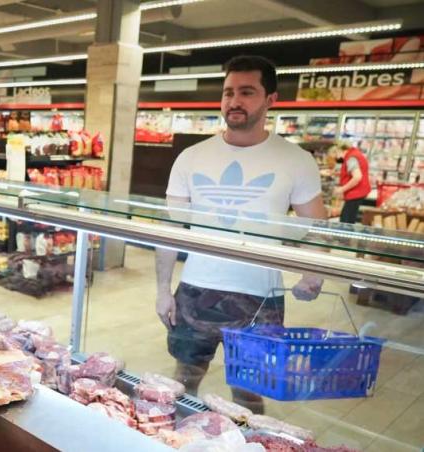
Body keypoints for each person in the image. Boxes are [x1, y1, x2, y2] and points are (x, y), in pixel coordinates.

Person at [154, 55, 327, 413]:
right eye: (228, 92)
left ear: (271, 99)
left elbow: (317, 226)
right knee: (184, 379)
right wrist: (162, 290)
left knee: (249, 393)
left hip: (262, 297)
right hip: (196, 291)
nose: (234, 101)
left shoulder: (296, 160)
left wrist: (314, 273)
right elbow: (170, 229)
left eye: (247, 92)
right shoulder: (191, 157)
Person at [332, 142, 371, 224]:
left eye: (335, 155)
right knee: (348, 219)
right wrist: (336, 173)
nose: (336, 158)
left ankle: (344, 237)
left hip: (356, 193)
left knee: (345, 221)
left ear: (337, 151)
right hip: (359, 191)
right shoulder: (353, 154)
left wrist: (341, 189)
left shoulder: (351, 158)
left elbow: (357, 177)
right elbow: (351, 173)